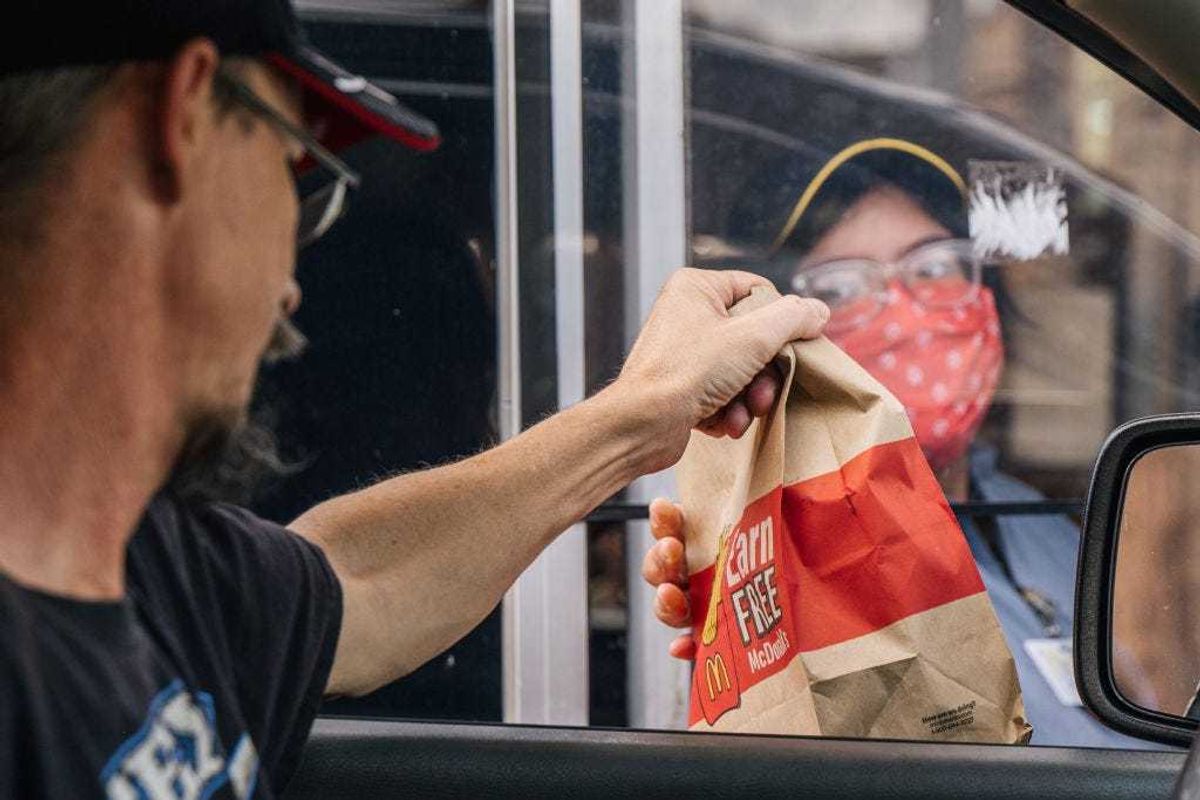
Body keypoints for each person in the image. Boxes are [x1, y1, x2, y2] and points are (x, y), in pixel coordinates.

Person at [0, 4, 832, 797]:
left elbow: (361, 578)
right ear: (183, 116)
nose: (292, 286)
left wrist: (638, 418)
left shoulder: (159, 575)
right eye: (300, 171)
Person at [643, 139, 1158, 748]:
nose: (906, 313)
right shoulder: (807, 556)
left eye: (935, 267)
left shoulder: (1041, 522)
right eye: (838, 289)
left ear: (985, 290)